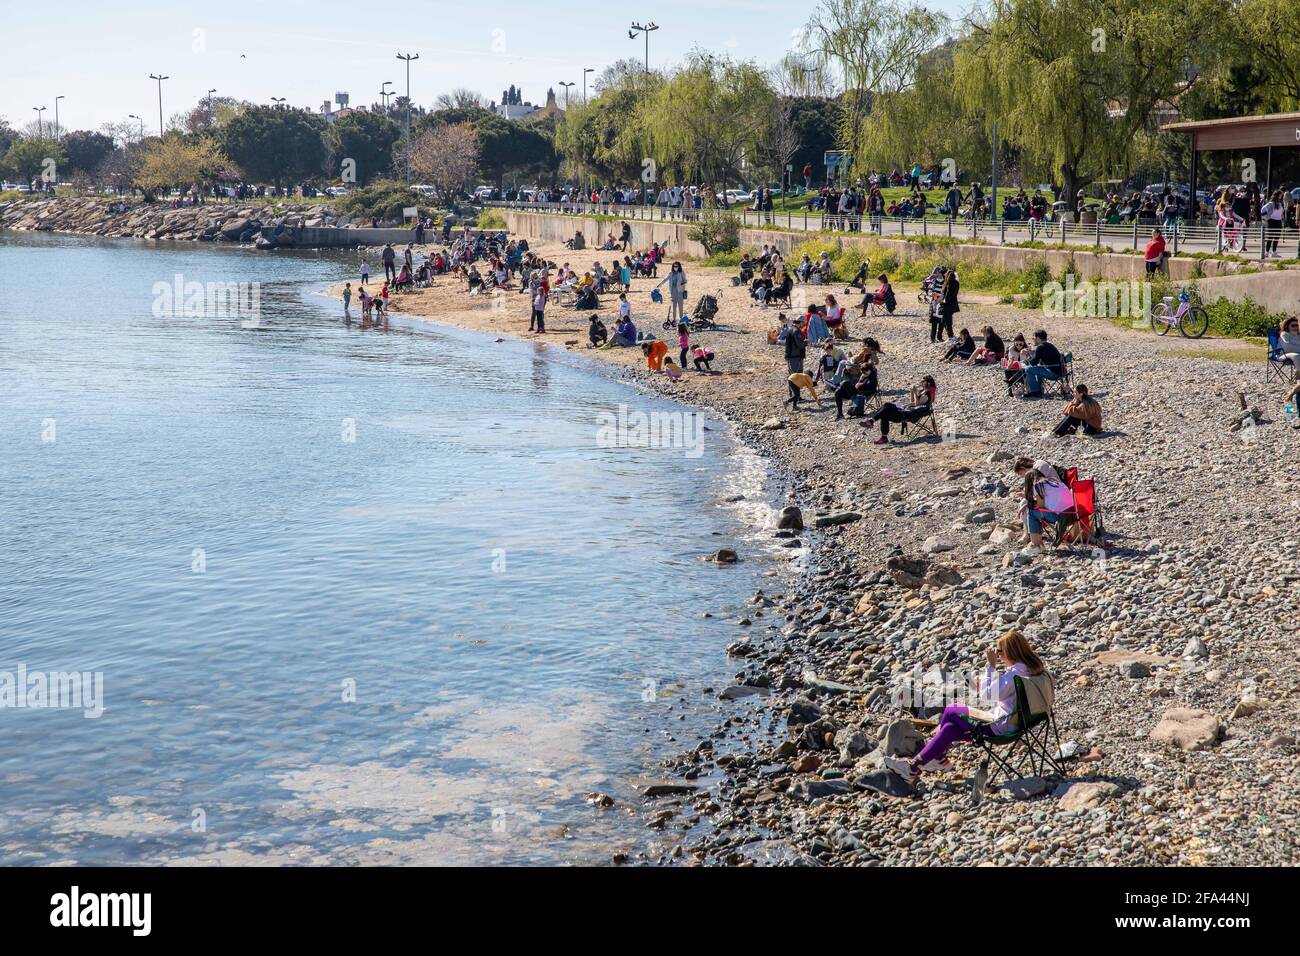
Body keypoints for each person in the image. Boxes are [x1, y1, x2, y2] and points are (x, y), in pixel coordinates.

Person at [884, 631, 1048, 785]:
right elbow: (1002, 690)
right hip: (1019, 721)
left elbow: (987, 695)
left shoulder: (1015, 675)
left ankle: (927, 762)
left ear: (1011, 652)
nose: (998, 656)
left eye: (1000, 651)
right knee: (948, 729)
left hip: (1000, 726)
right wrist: (986, 679)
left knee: (950, 710)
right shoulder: (1033, 670)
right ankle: (920, 765)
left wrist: (991, 667)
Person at [1013, 457, 1074, 554]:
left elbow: (1040, 505)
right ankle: (1037, 543)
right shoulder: (1053, 481)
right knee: (1032, 509)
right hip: (1073, 514)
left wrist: (1029, 505)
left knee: (1032, 512)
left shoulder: (1038, 485)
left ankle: (1036, 545)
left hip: (1061, 517)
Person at [864, 375, 937, 444]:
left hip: (907, 415)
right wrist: (912, 392)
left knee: (886, 406)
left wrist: (915, 392)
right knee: (884, 412)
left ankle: (872, 421)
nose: (921, 383)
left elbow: (917, 404)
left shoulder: (927, 394)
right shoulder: (923, 391)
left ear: (928, 383)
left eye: (923, 382)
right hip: (907, 411)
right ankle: (882, 436)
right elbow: (912, 402)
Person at [1022, 329, 1064, 397]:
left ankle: (1035, 392)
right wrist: (1031, 354)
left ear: (1038, 338)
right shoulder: (1050, 345)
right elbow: (1039, 360)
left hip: (1053, 373)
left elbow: (1033, 362)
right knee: (1037, 369)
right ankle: (1039, 391)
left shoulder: (1040, 347)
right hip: (1059, 372)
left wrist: (1027, 356)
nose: (1033, 340)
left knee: (1028, 369)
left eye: (1034, 338)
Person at [935, 268, 959, 342]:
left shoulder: (949, 283)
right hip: (953, 304)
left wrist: (941, 301)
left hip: (948, 305)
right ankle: (939, 336)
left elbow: (948, 295)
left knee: (947, 322)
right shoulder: (956, 283)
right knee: (943, 321)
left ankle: (950, 336)